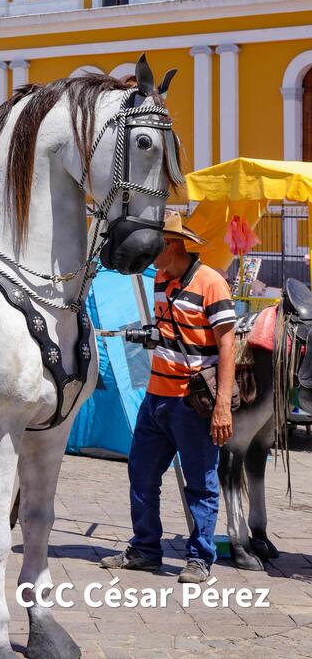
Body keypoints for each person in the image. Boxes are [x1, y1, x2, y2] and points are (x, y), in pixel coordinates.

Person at [101, 210, 236, 584]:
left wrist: (222, 407)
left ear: (172, 244)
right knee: (141, 474)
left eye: (153, 244)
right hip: (156, 398)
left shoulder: (211, 283)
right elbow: (172, 331)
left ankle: (199, 558)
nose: (147, 251)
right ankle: (145, 549)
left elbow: (228, 346)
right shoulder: (161, 278)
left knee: (200, 483)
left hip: (192, 404)